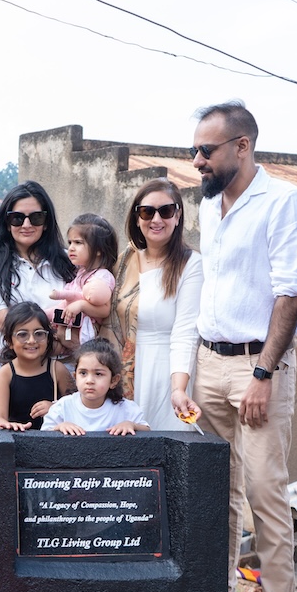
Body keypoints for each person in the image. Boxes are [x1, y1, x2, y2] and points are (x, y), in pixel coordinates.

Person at [189, 101, 297, 592]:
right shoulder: (211, 206)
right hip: (210, 362)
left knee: (266, 489)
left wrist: (263, 373)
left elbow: (292, 292)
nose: (197, 160)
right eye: (195, 149)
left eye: (206, 150)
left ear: (242, 146)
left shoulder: (284, 203)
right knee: (220, 484)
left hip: (256, 365)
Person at [102, 179, 204, 431]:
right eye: (147, 211)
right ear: (137, 218)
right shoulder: (124, 261)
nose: (156, 219)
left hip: (169, 371)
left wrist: (178, 388)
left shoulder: (190, 264)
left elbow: (186, 332)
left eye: (166, 211)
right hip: (123, 371)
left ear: (178, 216)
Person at [0, 182, 74, 421]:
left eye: (36, 217)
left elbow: (78, 309)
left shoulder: (68, 262)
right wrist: (50, 338)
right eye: (18, 218)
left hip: (58, 374)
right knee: (4, 452)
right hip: (8, 373)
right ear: (6, 222)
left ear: (47, 221)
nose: (27, 225)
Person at [0, 301, 73, 431]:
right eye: (22, 334)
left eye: (39, 333)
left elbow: (76, 408)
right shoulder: (5, 374)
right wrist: (8, 425)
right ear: (9, 341)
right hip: (17, 443)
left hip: (53, 445)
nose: (31, 340)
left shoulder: (57, 370)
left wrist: (54, 408)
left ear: (48, 337)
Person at [42, 338, 149, 435]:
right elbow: (43, 437)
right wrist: (59, 428)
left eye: (98, 374)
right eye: (83, 373)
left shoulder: (126, 409)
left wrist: (131, 425)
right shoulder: (63, 407)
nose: (89, 381)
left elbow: (148, 433)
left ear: (113, 380)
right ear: (75, 376)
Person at [50, 213, 117, 346]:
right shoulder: (81, 272)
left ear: (98, 250)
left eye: (78, 242)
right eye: (70, 242)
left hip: (87, 340)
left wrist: (81, 305)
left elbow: (105, 310)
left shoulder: (102, 276)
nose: (71, 248)